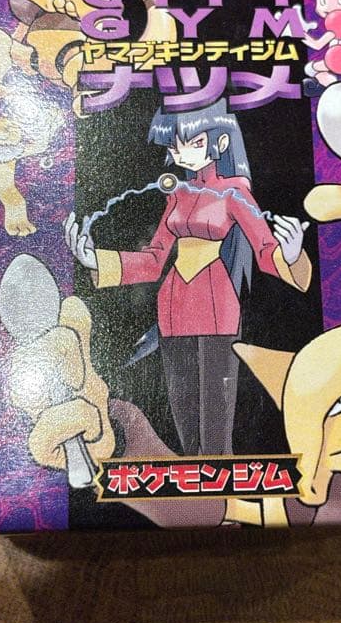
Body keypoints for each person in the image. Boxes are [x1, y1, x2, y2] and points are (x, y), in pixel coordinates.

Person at [65, 99, 311, 457]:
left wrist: (291, 255)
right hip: (172, 308)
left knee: (216, 421)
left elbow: (263, 249)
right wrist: (96, 259)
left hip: (216, 308)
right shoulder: (178, 194)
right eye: (175, 144)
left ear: (221, 143)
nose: (181, 153)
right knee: (184, 417)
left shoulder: (235, 193)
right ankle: (195, 481)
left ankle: (219, 481)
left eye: (193, 142)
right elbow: (153, 261)